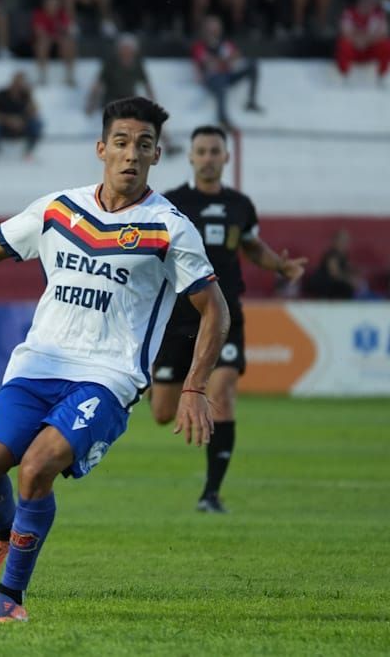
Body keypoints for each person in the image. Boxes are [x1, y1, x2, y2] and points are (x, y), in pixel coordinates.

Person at [0, 97, 228, 623]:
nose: (132, 154)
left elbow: (214, 309)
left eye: (144, 145)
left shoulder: (169, 228)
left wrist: (194, 387)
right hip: (38, 366)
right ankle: (3, 530)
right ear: (102, 148)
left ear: (156, 155)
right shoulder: (59, 209)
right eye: (122, 142)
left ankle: (9, 600)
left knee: (37, 468)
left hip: (107, 378)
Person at [151, 125, 307, 514]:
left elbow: (251, 245)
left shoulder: (240, 205)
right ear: (191, 157)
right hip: (178, 316)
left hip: (224, 315)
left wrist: (279, 265)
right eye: (201, 151)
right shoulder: (170, 204)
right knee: (162, 413)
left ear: (227, 157)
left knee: (221, 393)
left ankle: (211, 494)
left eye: (214, 151)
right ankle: (159, 385)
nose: (208, 158)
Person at [191, 15, 262, 129]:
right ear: (205, 30)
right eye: (210, 28)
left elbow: (236, 55)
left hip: (227, 75)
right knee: (220, 81)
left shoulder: (224, 43)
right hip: (212, 79)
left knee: (252, 65)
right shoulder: (199, 46)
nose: (213, 31)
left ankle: (251, 102)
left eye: (215, 28)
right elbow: (207, 63)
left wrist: (221, 61)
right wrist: (224, 60)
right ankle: (222, 117)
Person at [336, 0, 390, 84]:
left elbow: (383, 33)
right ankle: (344, 75)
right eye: (364, 0)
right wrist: (361, 40)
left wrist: (365, 40)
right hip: (354, 49)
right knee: (344, 44)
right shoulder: (349, 13)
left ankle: (382, 76)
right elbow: (345, 32)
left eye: (369, 1)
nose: (366, 4)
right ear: (359, 1)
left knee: (386, 44)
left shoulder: (378, 14)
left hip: (370, 49)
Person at [0, 71, 42, 159]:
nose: (18, 85)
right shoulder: (0, 94)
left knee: (37, 123)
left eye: (21, 83)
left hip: (21, 127)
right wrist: (8, 120)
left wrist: (30, 95)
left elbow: (35, 114)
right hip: (3, 126)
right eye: (16, 82)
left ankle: (29, 153)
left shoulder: (26, 96)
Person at [31, 0, 77, 86]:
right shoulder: (39, 14)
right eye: (50, 4)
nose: (53, 6)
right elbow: (39, 33)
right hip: (43, 46)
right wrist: (56, 36)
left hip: (59, 47)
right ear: (45, 5)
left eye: (55, 4)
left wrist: (59, 35)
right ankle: (42, 75)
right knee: (43, 43)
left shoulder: (62, 15)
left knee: (69, 43)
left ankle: (70, 76)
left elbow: (68, 31)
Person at [304, 229, 365, 299]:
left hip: (334, 283)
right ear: (335, 241)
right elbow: (334, 274)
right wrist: (350, 281)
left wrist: (356, 276)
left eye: (346, 241)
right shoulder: (332, 255)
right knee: (347, 287)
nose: (345, 244)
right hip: (325, 285)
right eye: (342, 241)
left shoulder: (343, 255)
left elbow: (347, 268)